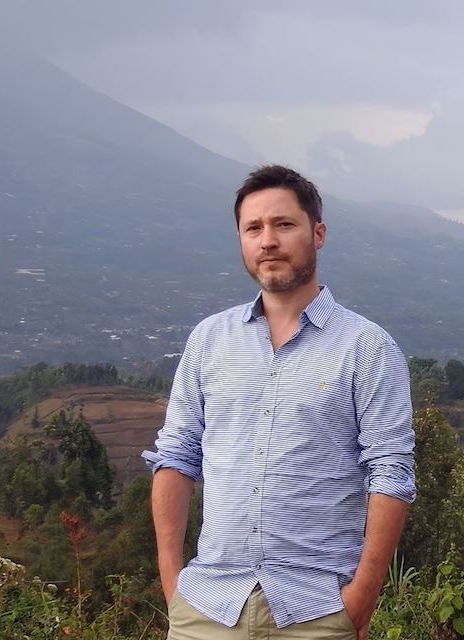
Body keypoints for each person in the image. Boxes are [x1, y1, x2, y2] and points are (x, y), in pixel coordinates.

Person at [145, 165, 415, 640]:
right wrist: (174, 585)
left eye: (283, 224)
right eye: (253, 228)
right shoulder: (209, 340)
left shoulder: (367, 347)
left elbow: (391, 471)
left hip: (318, 610)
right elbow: (176, 458)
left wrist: (360, 599)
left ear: (318, 233)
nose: (267, 240)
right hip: (205, 607)